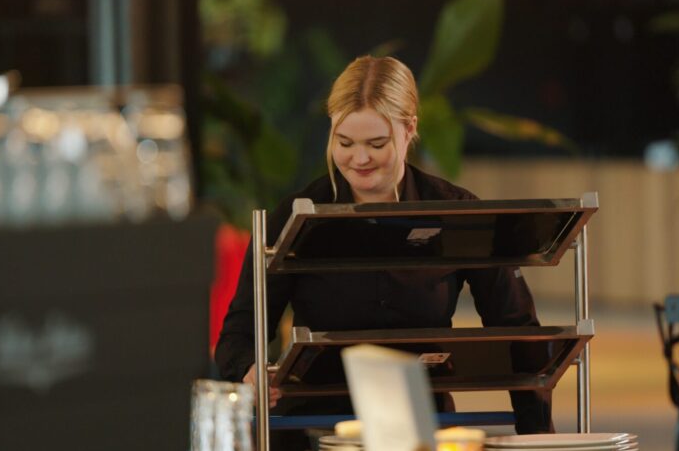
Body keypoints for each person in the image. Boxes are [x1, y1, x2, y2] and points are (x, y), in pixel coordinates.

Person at [215, 55, 554, 449]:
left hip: (423, 429)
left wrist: (538, 439)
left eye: (376, 144)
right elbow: (239, 333)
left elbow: (517, 330)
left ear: (409, 129)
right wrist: (250, 370)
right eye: (344, 143)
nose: (359, 159)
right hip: (313, 430)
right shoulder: (295, 216)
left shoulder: (456, 211)